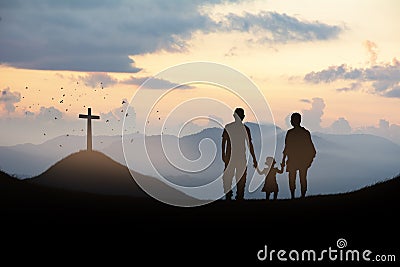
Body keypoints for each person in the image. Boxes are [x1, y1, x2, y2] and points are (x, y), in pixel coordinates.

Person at [221, 108, 257, 201]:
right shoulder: (245, 129)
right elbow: (250, 144)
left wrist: (223, 154)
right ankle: (239, 195)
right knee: (239, 178)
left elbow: (223, 141)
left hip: (231, 156)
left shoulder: (229, 127)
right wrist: (254, 158)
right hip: (238, 157)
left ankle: (231, 195)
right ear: (243, 117)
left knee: (229, 177)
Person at [282, 112, 316, 199]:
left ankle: (293, 196)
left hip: (294, 160)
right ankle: (302, 196)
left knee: (292, 178)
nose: (291, 122)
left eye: (292, 120)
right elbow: (312, 150)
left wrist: (283, 160)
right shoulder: (305, 133)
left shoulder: (290, 133)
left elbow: (286, 148)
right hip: (301, 160)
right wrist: (309, 161)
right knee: (302, 178)